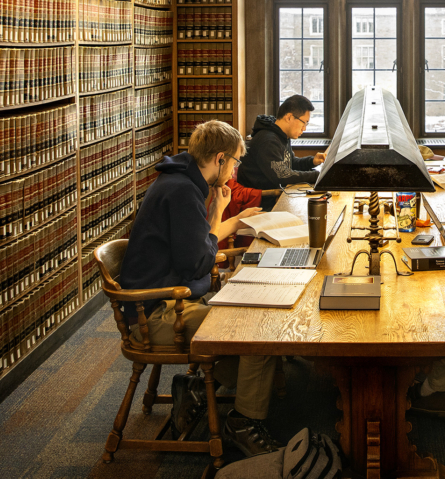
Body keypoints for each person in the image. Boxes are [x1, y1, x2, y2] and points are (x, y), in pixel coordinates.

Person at [120, 119, 281, 457]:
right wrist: (226, 226)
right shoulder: (182, 192)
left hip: (169, 297)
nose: (236, 171)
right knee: (260, 336)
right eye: (236, 161)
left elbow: (198, 249)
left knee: (267, 351)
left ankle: (194, 387)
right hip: (159, 313)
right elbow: (197, 261)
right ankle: (243, 422)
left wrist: (221, 211)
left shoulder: (183, 181)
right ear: (220, 158)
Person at [238, 95, 327, 210]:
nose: (304, 128)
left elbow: (290, 163)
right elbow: (283, 175)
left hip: (275, 197)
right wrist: (319, 176)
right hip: (259, 205)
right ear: (289, 117)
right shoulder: (268, 141)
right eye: (304, 123)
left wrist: (312, 161)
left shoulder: (282, 135)